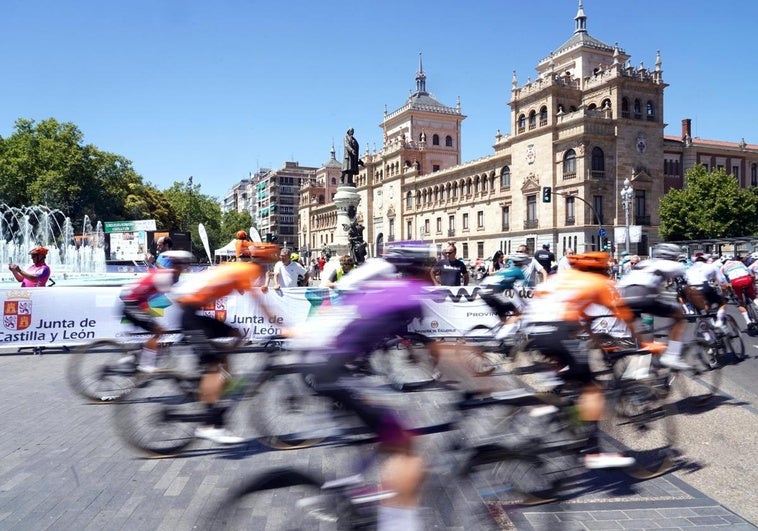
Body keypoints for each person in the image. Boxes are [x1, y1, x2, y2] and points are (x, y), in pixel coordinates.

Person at [296, 240, 436, 529]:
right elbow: (438, 351)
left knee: (379, 431)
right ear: (420, 267)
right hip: (331, 367)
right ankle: (397, 524)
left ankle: (347, 487)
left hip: (319, 358)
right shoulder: (408, 293)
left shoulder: (386, 284)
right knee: (404, 442)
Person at [521, 251, 643, 469]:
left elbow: (580, 317)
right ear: (601, 268)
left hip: (534, 333)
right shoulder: (597, 282)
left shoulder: (560, 278)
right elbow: (625, 315)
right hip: (556, 332)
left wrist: (595, 340)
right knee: (592, 388)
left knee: (570, 378)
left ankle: (553, 407)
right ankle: (592, 451)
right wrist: (645, 342)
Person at [176, 243, 280, 444]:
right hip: (188, 312)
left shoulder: (242, 269)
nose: (269, 267)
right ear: (264, 261)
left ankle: (216, 386)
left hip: (192, 311)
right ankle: (208, 425)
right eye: (269, 262)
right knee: (214, 366)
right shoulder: (247, 270)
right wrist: (281, 327)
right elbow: (260, 303)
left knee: (234, 337)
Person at [617, 243, 690, 370]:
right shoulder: (673, 264)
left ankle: (638, 372)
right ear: (674, 256)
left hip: (624, 298)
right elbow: (686, 286)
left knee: (641, 336)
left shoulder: (644, 263)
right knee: (679, 315)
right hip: (643, 296)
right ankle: (672, 356)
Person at [119, 250, 194, 372]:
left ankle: (135, 355)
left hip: (135, 303)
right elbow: (178, 299)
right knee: (158, 331)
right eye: (184, 266)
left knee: (157, 330)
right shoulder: (168, 277)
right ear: (179, 265)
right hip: (132, 305)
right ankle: (146, 365)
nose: (185, 269)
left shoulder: (169, 274)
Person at [684, 253, 729, 332]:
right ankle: (719, 322)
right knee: (722, 303)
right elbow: (722, 282)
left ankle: (708, 338)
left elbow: (686, 281)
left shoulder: (689, 269)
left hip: (691, 290)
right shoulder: (711, 266)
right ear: (705, 261)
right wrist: (724, 294)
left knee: (702, 313)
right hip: (704, 286)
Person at [720, 256, 758, 327]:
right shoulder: (739, 262)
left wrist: (727, 294)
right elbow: (751, 274)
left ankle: (748, 321)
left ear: (722, 263)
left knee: (740, 303)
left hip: (735, 282)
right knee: (753, 296)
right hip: (746, 279)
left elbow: (725, 284)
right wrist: (753, 284)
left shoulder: (722, 268)